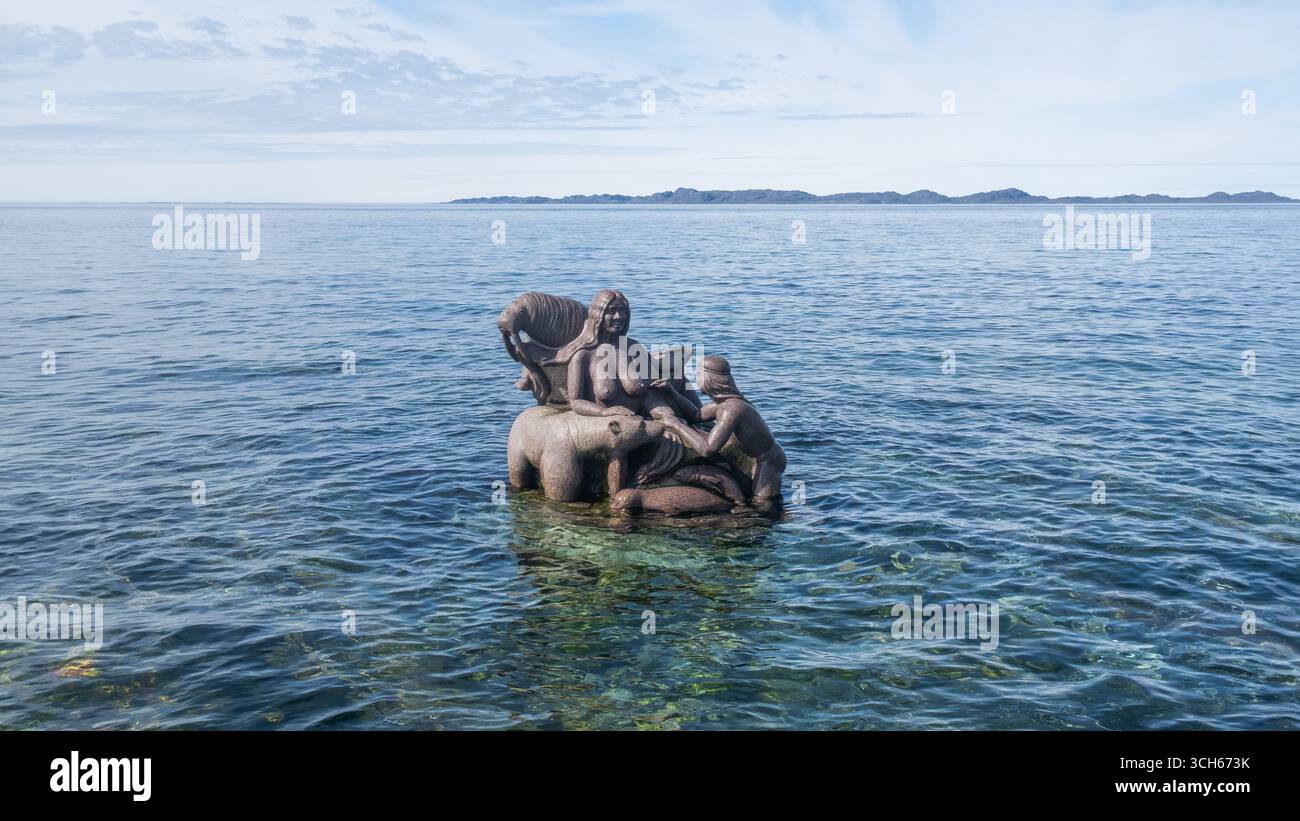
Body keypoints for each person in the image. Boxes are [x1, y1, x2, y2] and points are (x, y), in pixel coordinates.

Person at [652, 355, 786, 511]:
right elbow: (696, 415)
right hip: (753, 457)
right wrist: (671, 391)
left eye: (698, 375)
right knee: (753, 499)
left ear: (709, 379)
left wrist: (676, 425)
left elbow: (707, 449)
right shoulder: (723, 403)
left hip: (769, 460)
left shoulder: (732, 409)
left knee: (763, 505)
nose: (696, 380)